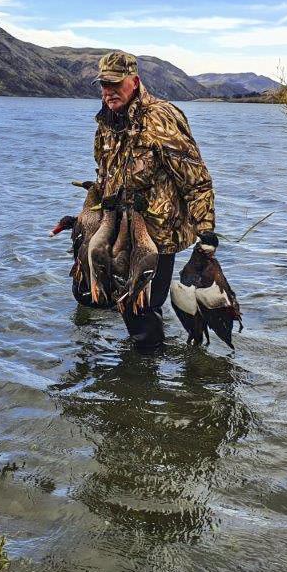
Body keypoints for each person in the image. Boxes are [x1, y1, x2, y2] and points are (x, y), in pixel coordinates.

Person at [90, 50, 217, 349]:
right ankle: (142, 368)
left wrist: (206, 228)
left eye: (115, 84)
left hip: (158, 231)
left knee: (144, 307)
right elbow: (105, 170)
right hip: (120, 228)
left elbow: (195, 177)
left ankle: (145, 372)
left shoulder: (161, 117)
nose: (108, 92)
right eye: (104, 86)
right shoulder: (107, 121)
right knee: (121, 299)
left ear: (134, 81)